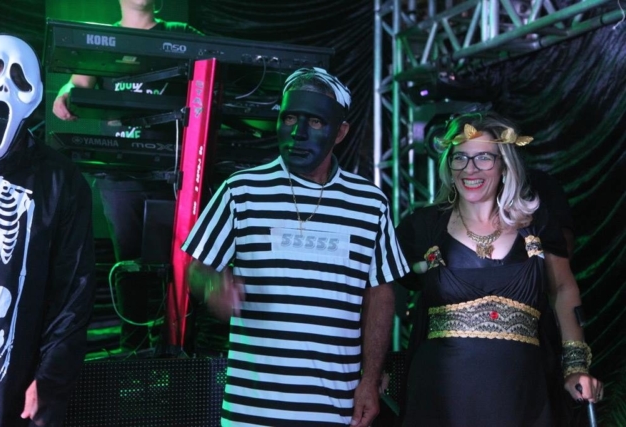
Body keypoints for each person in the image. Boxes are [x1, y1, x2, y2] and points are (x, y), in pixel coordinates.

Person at [182, 67, 410, 426]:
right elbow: (198, 266)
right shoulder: (242, 190)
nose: (298, 133)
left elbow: (380, 294)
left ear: (341, 132)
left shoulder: (370, 204)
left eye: (315, 122)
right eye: (290, 118)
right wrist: (212, 287)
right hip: (251, 411)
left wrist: (369, 380)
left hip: (335, 409)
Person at [395, 111, 602, 426]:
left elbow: (563, 289)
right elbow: (382, 289)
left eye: (483, 158)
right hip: (442, 393)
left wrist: (575, 367)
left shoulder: (535, 225)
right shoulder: (423, 226)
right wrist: (379, 370)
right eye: (460, 158)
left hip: (523, 392)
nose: (470, 169)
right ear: (448, 166)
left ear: (505, 165)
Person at [52, 0, 203, 352]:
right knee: (129, 264)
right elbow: (76, 84)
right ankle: (132, 351)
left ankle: (174, 351)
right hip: (121, 173)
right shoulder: (104, 39)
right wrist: (64, 95)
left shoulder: (181, 34)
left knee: (176, 266)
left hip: (172, 172)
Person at [0, 34, 96, 426]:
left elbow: (74, 292)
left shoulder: (60, 181)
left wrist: (49, 378)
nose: (2, 87)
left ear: (33, 96)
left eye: (17, 78)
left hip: (12, 386)